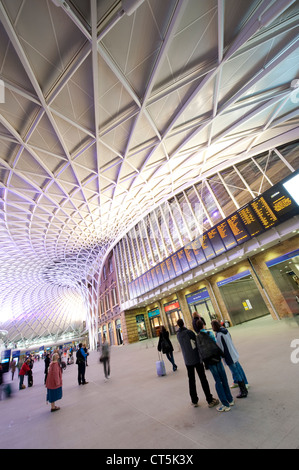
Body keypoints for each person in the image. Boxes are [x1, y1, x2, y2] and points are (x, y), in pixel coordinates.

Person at [176, 318, 219, 408]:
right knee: (203, 378)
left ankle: (194, 400)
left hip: (187, 361)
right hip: (196, 359)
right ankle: (209, 399)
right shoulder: (189, 333)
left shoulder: (178, 335)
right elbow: (196, 343)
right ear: (183, 323)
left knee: (191, 380)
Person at [196, 319, 233, 412]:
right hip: (217, 358)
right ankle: (230, 399)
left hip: (210, 361)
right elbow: (216, 344)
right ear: (204, 325)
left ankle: (225, 404)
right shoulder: (210, 333)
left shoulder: (198, 337)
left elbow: (200, 351)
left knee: (218, 381)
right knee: (224, 378)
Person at [211, 320, 248, 398]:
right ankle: (244, 387)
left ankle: (243, 391)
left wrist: (221, 356)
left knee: (235, 372)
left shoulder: (219, 334)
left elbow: (221, 347)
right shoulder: (225, 331)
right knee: (238, 370)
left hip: (228, 356)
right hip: (233, 353)